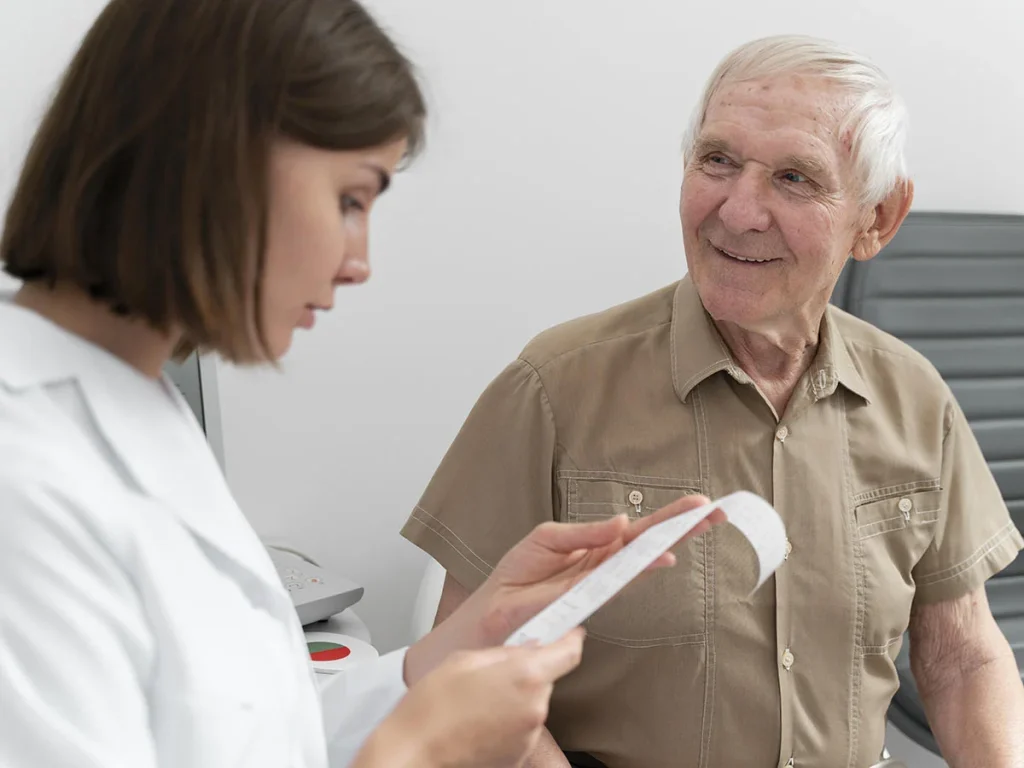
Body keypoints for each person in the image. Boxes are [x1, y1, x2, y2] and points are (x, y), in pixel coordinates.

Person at [0, 1, 725, 767]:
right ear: (210, 158)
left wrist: (457, 647)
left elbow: (251, 730)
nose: (359, 262)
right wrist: (420, 752)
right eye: (349, 200)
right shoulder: (23, 481)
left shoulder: (136, 404)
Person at [401, 34, 1024, 768]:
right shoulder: (552, 388)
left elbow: (961, 658)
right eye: (718, 160)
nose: (738, 211)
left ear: (877, 219)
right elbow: (461, 668)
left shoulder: (916, 397)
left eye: (794, 178)